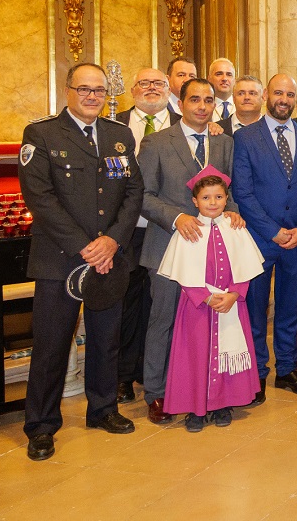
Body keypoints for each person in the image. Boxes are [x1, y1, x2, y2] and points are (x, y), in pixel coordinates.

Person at [19, 63, 144, 461]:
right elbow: (40, 198)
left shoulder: (118, 135)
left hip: (109, 257)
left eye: (99, 90)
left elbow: (133, 191)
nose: (92, 96)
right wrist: (86, 247)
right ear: (68, 91)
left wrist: (112, 241)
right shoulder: (42, 134)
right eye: (84, 89)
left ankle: (103, 409)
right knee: (52, 346)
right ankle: (41, 426)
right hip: (61, 259)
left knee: (106, 340)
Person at [138, 77, 242, 424]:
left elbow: (229, 192)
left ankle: (209, 391)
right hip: (168, 246)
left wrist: (233, 213)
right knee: (164, 320)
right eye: (194, 99)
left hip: (213, 252)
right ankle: (156, 392)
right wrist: (177, 217)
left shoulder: (223, 142)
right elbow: (143, 195)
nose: (202, 106)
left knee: (208, 322)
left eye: (208, 100)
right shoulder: (156, 142)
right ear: (180, 103)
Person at [232, 74, 297, 399]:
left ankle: (287, 369)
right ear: (266, 96)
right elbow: (242, 193)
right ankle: (257, 373)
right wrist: (273, 231)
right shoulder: (245, 137)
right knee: (256, 310)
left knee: (290, 310)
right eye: (278, 93)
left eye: (290, 94)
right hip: (259, 239)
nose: (284, 99)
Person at [159, 167, 263, 431]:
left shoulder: (236, 227)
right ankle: (195, 409)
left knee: (227, 354)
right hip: (197, 308)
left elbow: (246, 266)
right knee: (195, 357)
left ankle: (223, 404)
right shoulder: (188, 230)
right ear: (195, 201)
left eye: (218, 197)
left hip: (231, 304)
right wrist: (204, 297)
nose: (213, 202)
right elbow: (182, 273)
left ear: (226, 198)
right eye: (206, 198)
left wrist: (234, 294)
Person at [115, 68, 177, 404]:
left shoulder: (186, 123)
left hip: (167, 229)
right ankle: (124, 375)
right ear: (132, 89)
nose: (151, 88)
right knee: (127, 303)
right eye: (144, 83)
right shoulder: (114, 124)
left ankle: (159, 371)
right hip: (127, 230)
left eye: (159, 84)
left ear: (169, 89)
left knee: (162, 305)